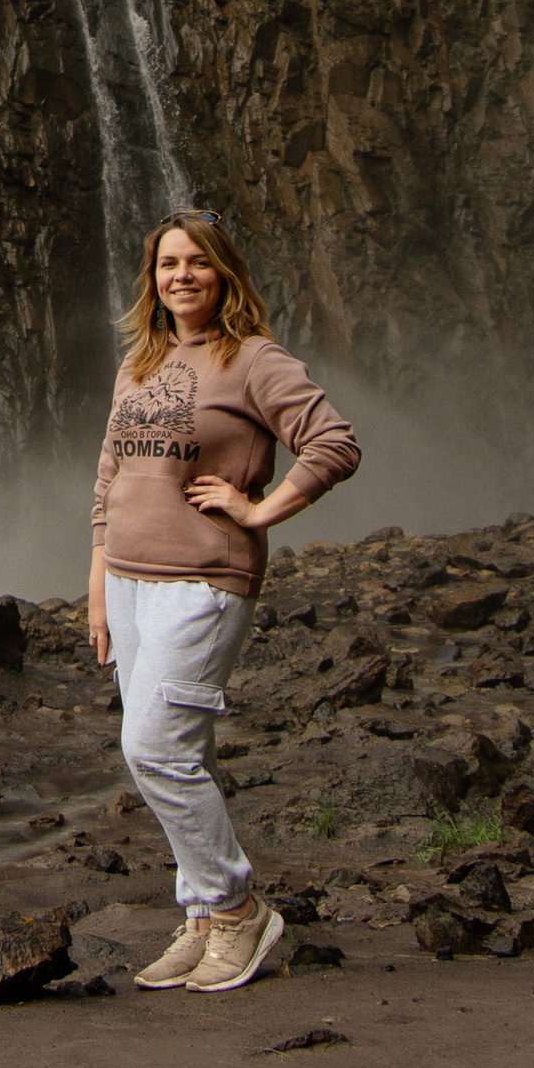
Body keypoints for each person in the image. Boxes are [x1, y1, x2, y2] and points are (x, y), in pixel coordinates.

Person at [88, 210, 360, 992]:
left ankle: (240, 910)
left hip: (203, 582)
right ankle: (202, 915)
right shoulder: (140, 362)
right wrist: (98, 589)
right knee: (185, 750)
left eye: (197, 263)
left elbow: (334, 442)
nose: (182, 276)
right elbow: (109, 479)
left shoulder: (254, 360)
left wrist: (261, 509)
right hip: (129, 582)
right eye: (168, 264)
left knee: (154, 749)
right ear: (153, 280)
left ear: (224, 273)